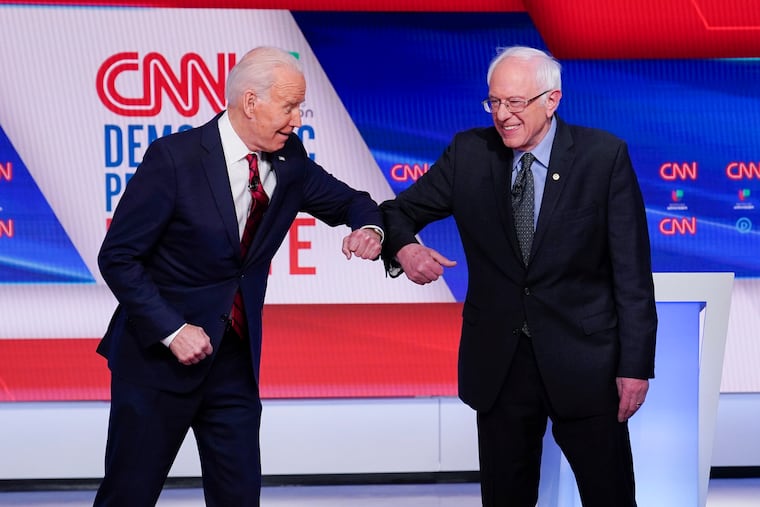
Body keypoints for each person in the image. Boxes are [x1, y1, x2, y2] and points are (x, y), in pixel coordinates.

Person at [95, 46, 383, 507]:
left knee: (240, 498)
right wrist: (172, 330)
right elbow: (118, 258)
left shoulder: (290, 161)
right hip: (156, 362)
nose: (296, 120)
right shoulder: (175, 159)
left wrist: (368, 229)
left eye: (300, 108)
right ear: (251, 102)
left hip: (232, 365)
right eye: (289, 107)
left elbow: (352, 201)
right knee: (128, 496)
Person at [380, 46, 657, 506]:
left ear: (552, 100)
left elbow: (632, 273)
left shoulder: (602, 157)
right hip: (501, 365)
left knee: (609, 494)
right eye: (494, 103)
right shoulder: (470, 153)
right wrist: (406, 248)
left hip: (585, 362)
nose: (503, 116)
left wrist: (635, 366)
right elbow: (397, 211)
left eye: (516, 103)